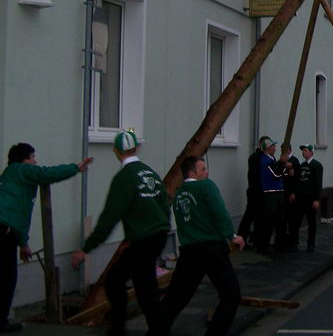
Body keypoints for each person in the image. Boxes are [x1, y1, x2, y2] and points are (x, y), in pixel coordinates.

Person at [71, 130, 170, 336]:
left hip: (143, 239)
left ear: (116, 151)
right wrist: (162, 227)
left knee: (122, 284)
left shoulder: (124, 178)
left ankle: (121, 329)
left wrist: (86, 249)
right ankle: (140, 329)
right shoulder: (150, 172)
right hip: (158, 235)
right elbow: (165, 203)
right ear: (137, 148)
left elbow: (110, 217)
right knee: (143, 286)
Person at [1, 143, 92, 333]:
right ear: (24, 160)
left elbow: (17, 214)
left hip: (8, 231)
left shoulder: (11, 175)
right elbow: (46, 174)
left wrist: (23, 244)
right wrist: (75, 168)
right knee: (7, 278)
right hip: (4, 230)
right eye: (33, 157)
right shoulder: (22, 170)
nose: (35, 161)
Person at [161, 156, 244, 336]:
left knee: (177, 297)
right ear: (193, 173)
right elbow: (219, 212)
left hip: (189, 250)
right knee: (231, 295)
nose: (207, 172)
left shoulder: (179, 193)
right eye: (203, 169)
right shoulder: (206, 186)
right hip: (211, 248)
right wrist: (232, 236)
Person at [288, 144, 323, 252]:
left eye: (306, 150)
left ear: (311, 152)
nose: (303, 152)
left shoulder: (316, 165)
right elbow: (298, 181)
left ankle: (311, 244)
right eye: (303, 150)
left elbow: (318, 183)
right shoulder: (302, 165)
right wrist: (294, 192)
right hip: (300, 197)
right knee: (296, 220)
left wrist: (317, 199)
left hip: (310, 198)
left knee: (311, 221)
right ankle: (294, 241)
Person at [237, 137, 269, 250]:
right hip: (255, 192)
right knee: (250, 216)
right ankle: (242, 239)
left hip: (259, 191)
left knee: (257, 217)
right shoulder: (256, 158)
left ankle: (255, 240)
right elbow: (257, 176)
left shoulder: (261, 157)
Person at [259, 137, 290, 252]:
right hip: (270, 193)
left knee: (280, 220)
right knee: (269, 220)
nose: (275, 148)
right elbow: (276, 174)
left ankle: (281, 243)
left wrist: (282, 166)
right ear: (268, 148)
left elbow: (279, 173)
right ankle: (264, 245)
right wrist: (282, 162)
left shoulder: (271, 159)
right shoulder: (265, 161)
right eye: (273, 146)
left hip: (277, 192)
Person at [283, 145, 301, 251]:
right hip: (284, 193)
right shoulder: (287, 160)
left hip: (292, 194)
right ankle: (286, 240)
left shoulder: (294, 161)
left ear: (289, 150)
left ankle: (293, 240)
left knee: (292, 219)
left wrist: (294, 192)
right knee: (285, 218)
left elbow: (296, 178)